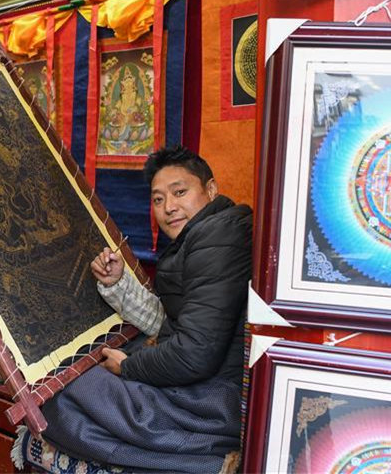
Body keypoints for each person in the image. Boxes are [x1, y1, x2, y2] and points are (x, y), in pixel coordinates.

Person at [40, 146, 252, 474]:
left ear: (210, 190)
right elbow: (169, 322)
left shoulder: (220, 240)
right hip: (201, 382)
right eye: (158, 199)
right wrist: (117, 284)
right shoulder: (204, 237)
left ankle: (204, 461)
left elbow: (196, 353)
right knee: (76, 386)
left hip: (211, 400)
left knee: (61, 394)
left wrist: (129, 369)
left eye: (180, 192)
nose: (169, 208)